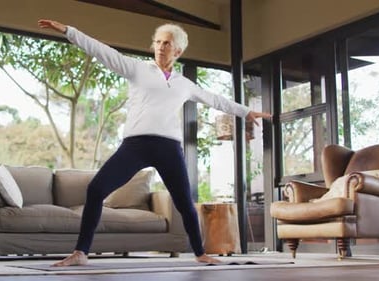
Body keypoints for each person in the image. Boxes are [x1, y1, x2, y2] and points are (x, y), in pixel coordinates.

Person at [37, 19, 272, 267]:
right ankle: (80, 253)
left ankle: (200, 253)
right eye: (158, 42)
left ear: (178, 51)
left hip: (168, 148)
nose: (160, 46)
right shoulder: (137, 69)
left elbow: (215, 99)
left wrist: (246, 112)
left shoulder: (184, 84)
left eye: (167, 43)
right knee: (96, 189)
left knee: (184, 202)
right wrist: (68, 31)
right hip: (135, 145)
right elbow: (102, 51)